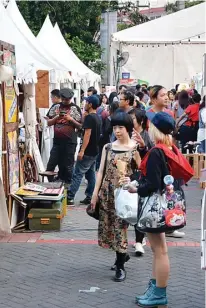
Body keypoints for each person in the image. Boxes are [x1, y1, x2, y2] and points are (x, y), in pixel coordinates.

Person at [127, 112, 193, 307]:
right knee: (159, 250)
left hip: (155, 208)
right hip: (165, 207)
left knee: (160, 251)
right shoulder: (169, 147)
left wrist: (135, 187)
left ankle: (159, 293)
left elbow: (152, 183)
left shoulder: (157, 151)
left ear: (154, 128)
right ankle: (155, 290)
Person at [91, 111, 141, 282]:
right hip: (107, 193)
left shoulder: (135, 148)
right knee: (110, 228)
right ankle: (122, 256)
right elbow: (100, 171)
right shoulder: (108, 147)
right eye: (115, 128)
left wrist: (132, 178)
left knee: (120, 229)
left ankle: (120, 266)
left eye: (121, 127)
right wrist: (94, 193)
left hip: (124, 195)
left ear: (128, 128)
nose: (117, 131)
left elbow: (142, 172)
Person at [67, 95, 101, 206]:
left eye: (86, 102)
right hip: (94, 151)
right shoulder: (97, 117)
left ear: (90, 104)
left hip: (88, 151)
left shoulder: (91, 118)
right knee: (90, 174)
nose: (84, 104)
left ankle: (70, 197)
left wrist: (82, 151)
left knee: (77, 174)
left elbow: (87, 134)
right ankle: (90, 196)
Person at [46, 88, 82, 184]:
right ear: (61, 98)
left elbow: (80, 126)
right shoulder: (55, 107)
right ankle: (52, 183)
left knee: (68, 166)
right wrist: (57, 117)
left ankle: (68, 186)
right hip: (57, 142)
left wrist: (71, 119)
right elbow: (48, 122)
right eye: (64, 99)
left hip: (70, 142)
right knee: (51, 164)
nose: (66, 101)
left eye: (68, 100)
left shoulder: (75, 108)